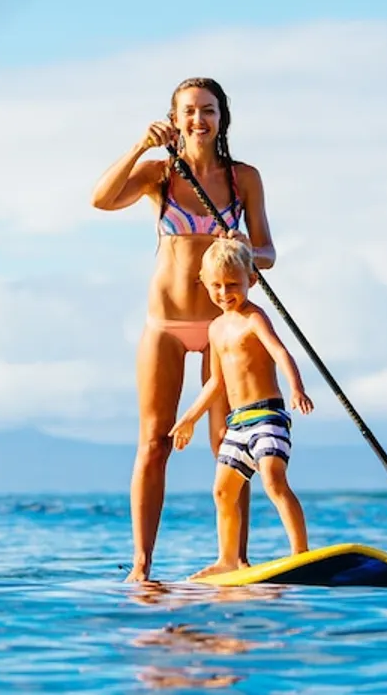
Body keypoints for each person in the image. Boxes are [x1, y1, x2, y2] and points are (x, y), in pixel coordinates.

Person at [90, 77, 275, 582]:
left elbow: (268, 253)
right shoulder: (160, 173)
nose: (199, 119)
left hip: (224, 327)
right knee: (155, 442)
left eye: (208, 110)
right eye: (189, 111)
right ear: (174, 119)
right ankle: (142, 566)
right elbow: (101, 200)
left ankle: (234, 559)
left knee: (230, 442)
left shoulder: (244, 179)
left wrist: (247, 249)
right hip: (166, 325)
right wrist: (139, 146)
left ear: (221, 118)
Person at [171, 238, 313, 577]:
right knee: (222, 491)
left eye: (233, 284)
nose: (224, 293)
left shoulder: (254, 318)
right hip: (237, 424)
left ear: (252, 279)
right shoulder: (216, 328)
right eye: (217, 285)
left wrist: (296, 387)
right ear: (204, 283)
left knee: (273, 480)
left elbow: (280, 352)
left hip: (267, 416)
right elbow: (215, 383)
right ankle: (227, 559)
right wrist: (189, 419)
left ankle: (301, 553)